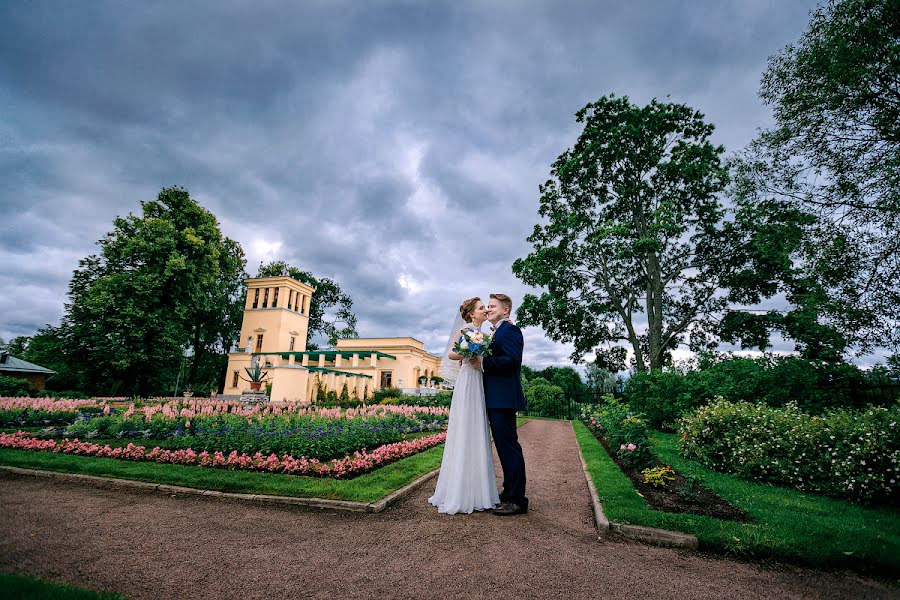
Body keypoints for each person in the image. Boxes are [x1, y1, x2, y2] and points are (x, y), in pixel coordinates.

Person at [428, 297, 500, 514]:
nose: (485, 310)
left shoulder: (485, 334)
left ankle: (479, 490)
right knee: (465, 429)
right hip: (467, 381)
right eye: (481, 308)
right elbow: (451, 354)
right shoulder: (467, 330)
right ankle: (459, 491)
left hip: (478, 381)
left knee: (477, 430)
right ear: (472, 314)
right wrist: (468, 350)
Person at [481, 293, 528, 516]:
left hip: (503, 399)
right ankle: (509, 491)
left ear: (506, 310)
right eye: (487, 306)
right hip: (495, 398)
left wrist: (482, 362)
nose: (488, 309)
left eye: (492, 306)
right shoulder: (498, 331)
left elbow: (511, 360)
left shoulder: (510, 330)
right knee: (503, 447)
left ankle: (518, 499)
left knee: (509, 447)